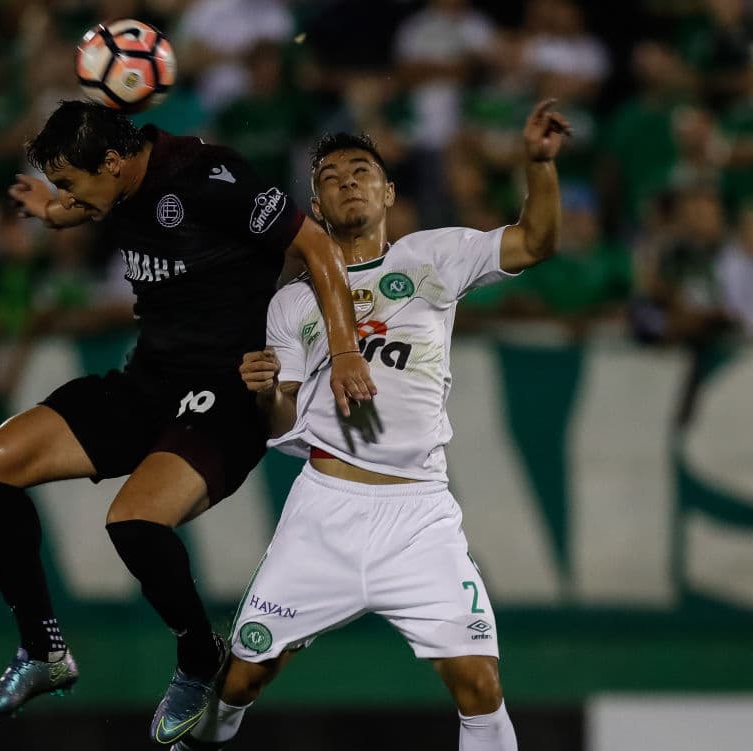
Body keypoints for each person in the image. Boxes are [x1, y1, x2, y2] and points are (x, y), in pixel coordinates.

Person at [0, 100, 376, 744]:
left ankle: (199, 655)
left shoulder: (209, 180)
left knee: (133, 521)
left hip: (227, 393)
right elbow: (91, 203)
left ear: (112, 161)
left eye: (69, 182)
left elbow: (316, 245)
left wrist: (345, 350)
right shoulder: (117, 180)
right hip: (147, 382)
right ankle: (43, 652)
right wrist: (53, 210)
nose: (68, 195)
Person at [174, 99, 569, 751]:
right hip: (325, 509)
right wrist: (266, 390)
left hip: (418, 515)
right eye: (330, 178)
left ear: (388, 192)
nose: (347, 182)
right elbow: (281, 420)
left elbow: (536, 241)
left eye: (361, 171)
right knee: (242, 678)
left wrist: (538, 164)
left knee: (479, 684)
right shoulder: (293, 302)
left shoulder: (433, 256)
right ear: (316, 207)